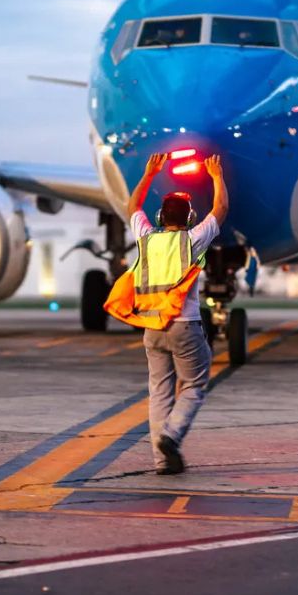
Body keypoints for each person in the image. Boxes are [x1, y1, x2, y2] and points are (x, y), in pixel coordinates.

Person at [124, 152, 228, 475]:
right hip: (185, 326)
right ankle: (172, 434)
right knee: (196, 383)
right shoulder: (192, 240)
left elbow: (132, 208)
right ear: (188, 219)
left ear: (159, 217)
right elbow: (220, 210)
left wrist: (149, 174)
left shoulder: (145, 239)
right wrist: (216, 175)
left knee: (159, 391)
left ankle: (161, 460)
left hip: (151, 326)